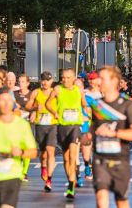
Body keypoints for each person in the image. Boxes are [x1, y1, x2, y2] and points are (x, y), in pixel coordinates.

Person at [92, 66, 132, 208]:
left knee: (121, 201)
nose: (98, 82)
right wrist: (85, 136)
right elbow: (90, 132)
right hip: (100, 159)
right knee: (101, 198)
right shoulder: (96, 105)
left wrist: (114, 133)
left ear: (114, 81)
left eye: (102, 78)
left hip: (120, 160)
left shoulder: (126, 105)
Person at [0, 88, 37, 208]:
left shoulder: (21, 124)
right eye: (2, 100)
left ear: (13, 102)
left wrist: (20, 152)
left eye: (8, 100)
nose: (5, 104)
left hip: (11, 177)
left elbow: (33, 152)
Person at [46, 68, 86, 198]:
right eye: (63, 77)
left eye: (68, 77)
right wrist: (55, 112)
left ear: (74, 78)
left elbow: (84, 104)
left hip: (75, 126)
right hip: (62, 126)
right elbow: (48, 104)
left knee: (73, 156)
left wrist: (88, 112)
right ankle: (70, 179)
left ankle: (70, 186)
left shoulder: (78, 90)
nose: (65, 80)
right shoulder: (57, 90)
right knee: (66, 157)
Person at [25, 71, 57, 192]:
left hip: (52, 125)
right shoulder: (36, 92)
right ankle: (43, 167)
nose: (45, 82)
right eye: (43, 80)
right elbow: (27, 106)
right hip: (40, 125)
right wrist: (34, 109)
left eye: (47, 80)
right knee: (43, 154)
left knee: (51, 151)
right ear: (40, 81)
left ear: (51, 81)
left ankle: (49, 179)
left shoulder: (55, 93)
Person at [79, 71, 102, 185]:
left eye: (94, 79)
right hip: (87, 124)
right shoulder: (85, 93)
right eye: (90, 79)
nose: (92, 81)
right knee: (86, 148)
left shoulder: (102, 93)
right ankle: (88, 166)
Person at [14, 74, 33, 181]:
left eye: (22, 82)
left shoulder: (31, 95)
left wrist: (26, 109)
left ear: (27, 83)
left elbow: (34, 108)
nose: (20, 84)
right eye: (19, 81)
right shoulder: (14, 94)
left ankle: (24, 172)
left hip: (27, 125)